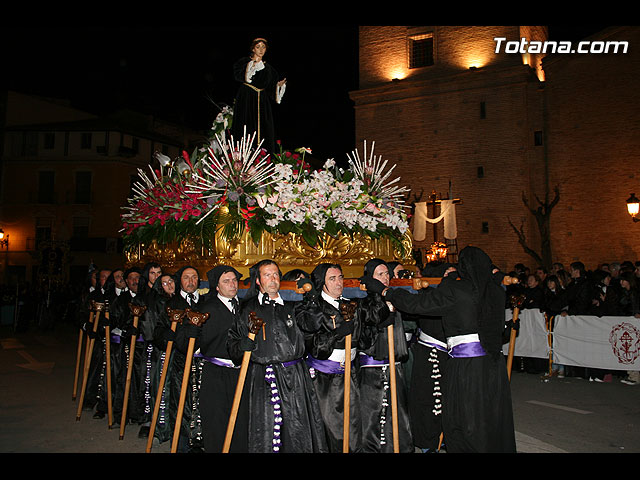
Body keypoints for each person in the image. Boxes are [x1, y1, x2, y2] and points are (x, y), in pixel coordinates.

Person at [362, 246, 516, 453]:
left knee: (463, 418)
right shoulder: (496, 290)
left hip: (466, 366)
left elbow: (418, 304)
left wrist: (386, 291)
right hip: (492, 365)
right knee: (489, 416)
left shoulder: (457, 290)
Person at [227, 259, 327, 453]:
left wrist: (313, 299)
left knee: (297, 431)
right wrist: (242, 345)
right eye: (267, 275)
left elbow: (312, 325)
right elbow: (232, 344)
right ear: (258, 280)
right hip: (263, 378)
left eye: (275, 275)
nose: (273, 280)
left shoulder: (293, 306)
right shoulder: (247, 309)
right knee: (266, 430)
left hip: (295, 377)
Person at [296, 263, 363, 452]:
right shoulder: (313, 309)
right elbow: (313, 345)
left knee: (353, 425)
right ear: (321, 283)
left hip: (350, 373)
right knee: (331, 429)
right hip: (325, 379)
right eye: (332, 279)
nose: (338, 282)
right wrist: (337, 334)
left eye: (340, 277)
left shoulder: (350, 305)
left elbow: (362, 340)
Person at [356, 258, 413, 453]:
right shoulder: (364, 302)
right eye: (380, 274)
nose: (385, 278)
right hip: (373, 367)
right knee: (373, 414)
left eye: (387, 273)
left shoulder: (394, 297)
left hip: (394, 364)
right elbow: (370, 325)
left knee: (397, 413)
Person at [197, 265, 249, 453]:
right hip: (217, 373)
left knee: (243, 420)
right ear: (217, 287)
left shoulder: (245, 307)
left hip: (243, 372)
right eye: (226, 281)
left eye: (234, 280)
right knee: (218, 420)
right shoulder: (207, 309)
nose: (232, 284)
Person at [154, 265, 205, 452]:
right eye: (186, 277)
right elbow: (157, 330)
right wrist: (164, 335)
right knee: (182, 404)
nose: (190, 281)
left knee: (202, 402)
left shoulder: (206, 301)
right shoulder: (172, 304)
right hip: (181, 362)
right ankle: (182, 444)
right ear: (180, 281)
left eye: (194, 277)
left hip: (203, 361)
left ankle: (201, 442)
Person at [231, 37, 287, 154]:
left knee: (263, 128)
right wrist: (251, 67)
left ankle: (262, 155)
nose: (261, 50)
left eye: (263, 47)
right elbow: (238, 75)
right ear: (253, 48)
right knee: (245, 125)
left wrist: (279, 86)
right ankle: (241, 153)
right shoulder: (245, 62)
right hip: (246, 97)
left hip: (262, 101)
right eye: (258, 47)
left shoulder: (269, 69)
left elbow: (272, 88)